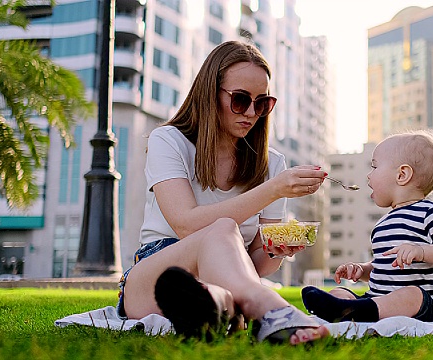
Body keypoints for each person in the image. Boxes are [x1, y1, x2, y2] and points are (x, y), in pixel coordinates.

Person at [116, 40, 330, 344]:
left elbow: (258, 264)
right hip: (157, 276)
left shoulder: (272, 164)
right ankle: (271, 310)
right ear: (210, 93)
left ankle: (218, 308)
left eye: (262, 103)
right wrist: (273, 190)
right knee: (223, 229)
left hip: (228, 278)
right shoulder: (170, 140)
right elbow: (186, 224)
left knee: (222, 293)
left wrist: (272, 250)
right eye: (240, 100)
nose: (252, 113)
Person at [301, 130, 433, 323]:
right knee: (339, 292)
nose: (368, 176)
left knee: (412, 294)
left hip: (424, 308)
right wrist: (363, 270)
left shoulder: (430, 213)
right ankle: (345, 309)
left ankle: (350, 312)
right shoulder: (384, 223)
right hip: (378, 299)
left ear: (402, 174)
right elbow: (384, 268)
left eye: (374, 167)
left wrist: (422, 251)